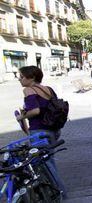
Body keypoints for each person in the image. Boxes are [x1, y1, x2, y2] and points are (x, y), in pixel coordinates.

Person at [15, 65, 66, 198]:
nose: (19, 79)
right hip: (54, 130)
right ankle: (54, 193)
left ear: (31, 78)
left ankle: (60, 194)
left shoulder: (28, 90)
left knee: (46, 165)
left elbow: (36, 111)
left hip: (39, 131)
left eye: (21, 77)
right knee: (49, 161)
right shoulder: (48, 89)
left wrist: (22, 116)